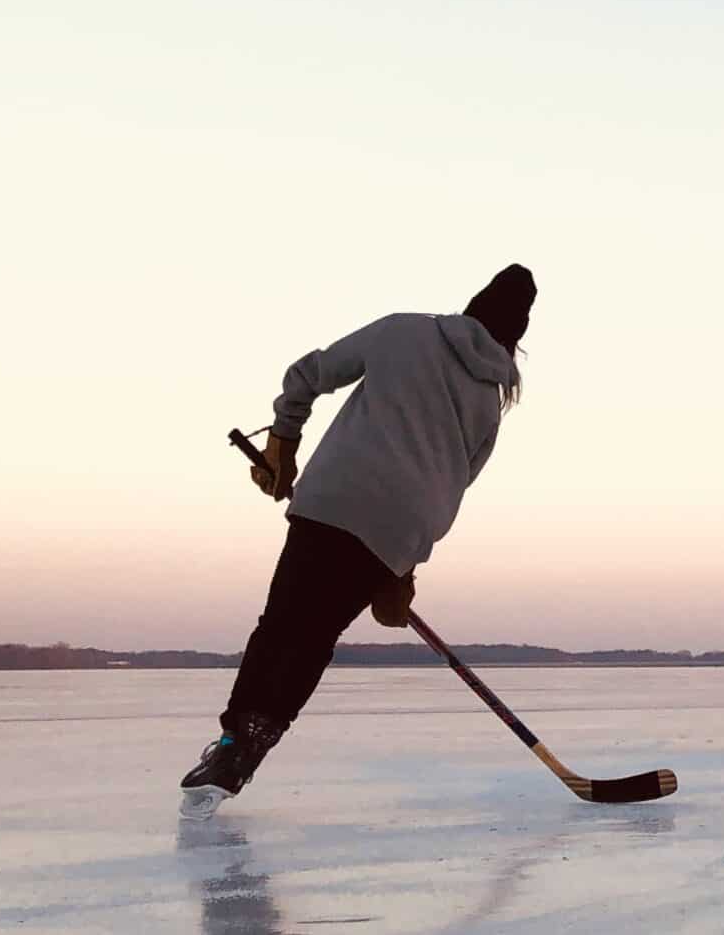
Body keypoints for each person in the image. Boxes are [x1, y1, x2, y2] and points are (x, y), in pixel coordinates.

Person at [180, 264, 534, 814]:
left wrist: (283, 441)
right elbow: (451, 487)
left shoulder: (403, 330)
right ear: (514, 341)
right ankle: (251, 746)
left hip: (335, 499)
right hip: (394, 535)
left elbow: (307, 374)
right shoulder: (490, 403)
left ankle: (234, 743)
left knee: (282, 625)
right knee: (315, 636)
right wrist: (404, 566)